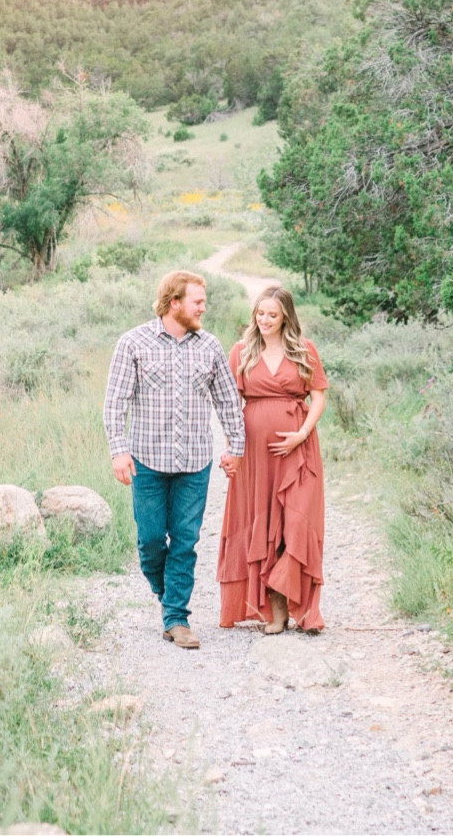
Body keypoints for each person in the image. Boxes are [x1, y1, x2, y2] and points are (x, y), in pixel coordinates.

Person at [103, 269, 246, 650]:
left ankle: (177, 619)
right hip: (146, 460)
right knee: (150, 541)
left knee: (185, 541)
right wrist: (118, 450)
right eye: (197, 301)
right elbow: (115, 402)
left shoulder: (210, 347)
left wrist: (236, 447)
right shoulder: (133, 343)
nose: (203, 307)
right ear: (174, 303)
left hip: (194, 462)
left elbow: (228, 401)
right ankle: (168, 596)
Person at [216, 284, 329, 634]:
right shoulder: (241, 351)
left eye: (272, 315)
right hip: (254, 455)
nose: (264, 320)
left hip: (297, 451)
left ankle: (305, 610)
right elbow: (228, 403)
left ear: (285, 318)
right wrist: (232, 448)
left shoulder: (303, 350)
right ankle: (275, 612)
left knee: (296, 522)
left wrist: (302, 434)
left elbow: (318, 396)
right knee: (261, 524)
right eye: (260, 314)